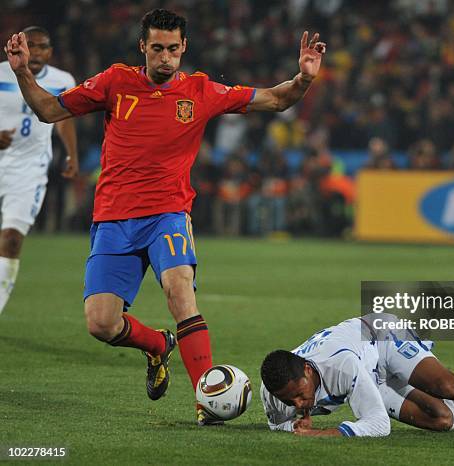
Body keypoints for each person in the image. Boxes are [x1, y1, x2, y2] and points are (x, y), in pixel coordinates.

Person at [4, 8, 326, 425]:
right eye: (157, 48)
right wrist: (24, 74)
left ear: (184, 48)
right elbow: (49, 110)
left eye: (173, 49)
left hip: (168, 214)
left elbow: (276, 98)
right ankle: (157, 345)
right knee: (101, 323)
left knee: (180, 290)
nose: (165, 58)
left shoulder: (201, 90)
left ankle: (206, 400)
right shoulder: (115, 82)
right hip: (114, 218)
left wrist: (303, 78)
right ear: (143, 47)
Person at [260, 316, 454, 437]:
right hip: (371, 373)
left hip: (382, 338)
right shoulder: (273, 391)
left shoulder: (341, 366)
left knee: (447, 386)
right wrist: (293, 424)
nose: (300, 402)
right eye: (291, 400)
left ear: (306, 369)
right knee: (442, 420)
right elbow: (278, 424)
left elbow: (377, 425)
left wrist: (323, 433)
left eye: (301, 394)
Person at [0, 26, 78, 315]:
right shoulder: (0, 74)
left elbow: (65, 118)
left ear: (50, 51)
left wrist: (72, 154)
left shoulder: (62, 80)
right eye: (30, 45)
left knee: (11, 238)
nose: (37, 51)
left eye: (43, 46)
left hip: (29, 169)